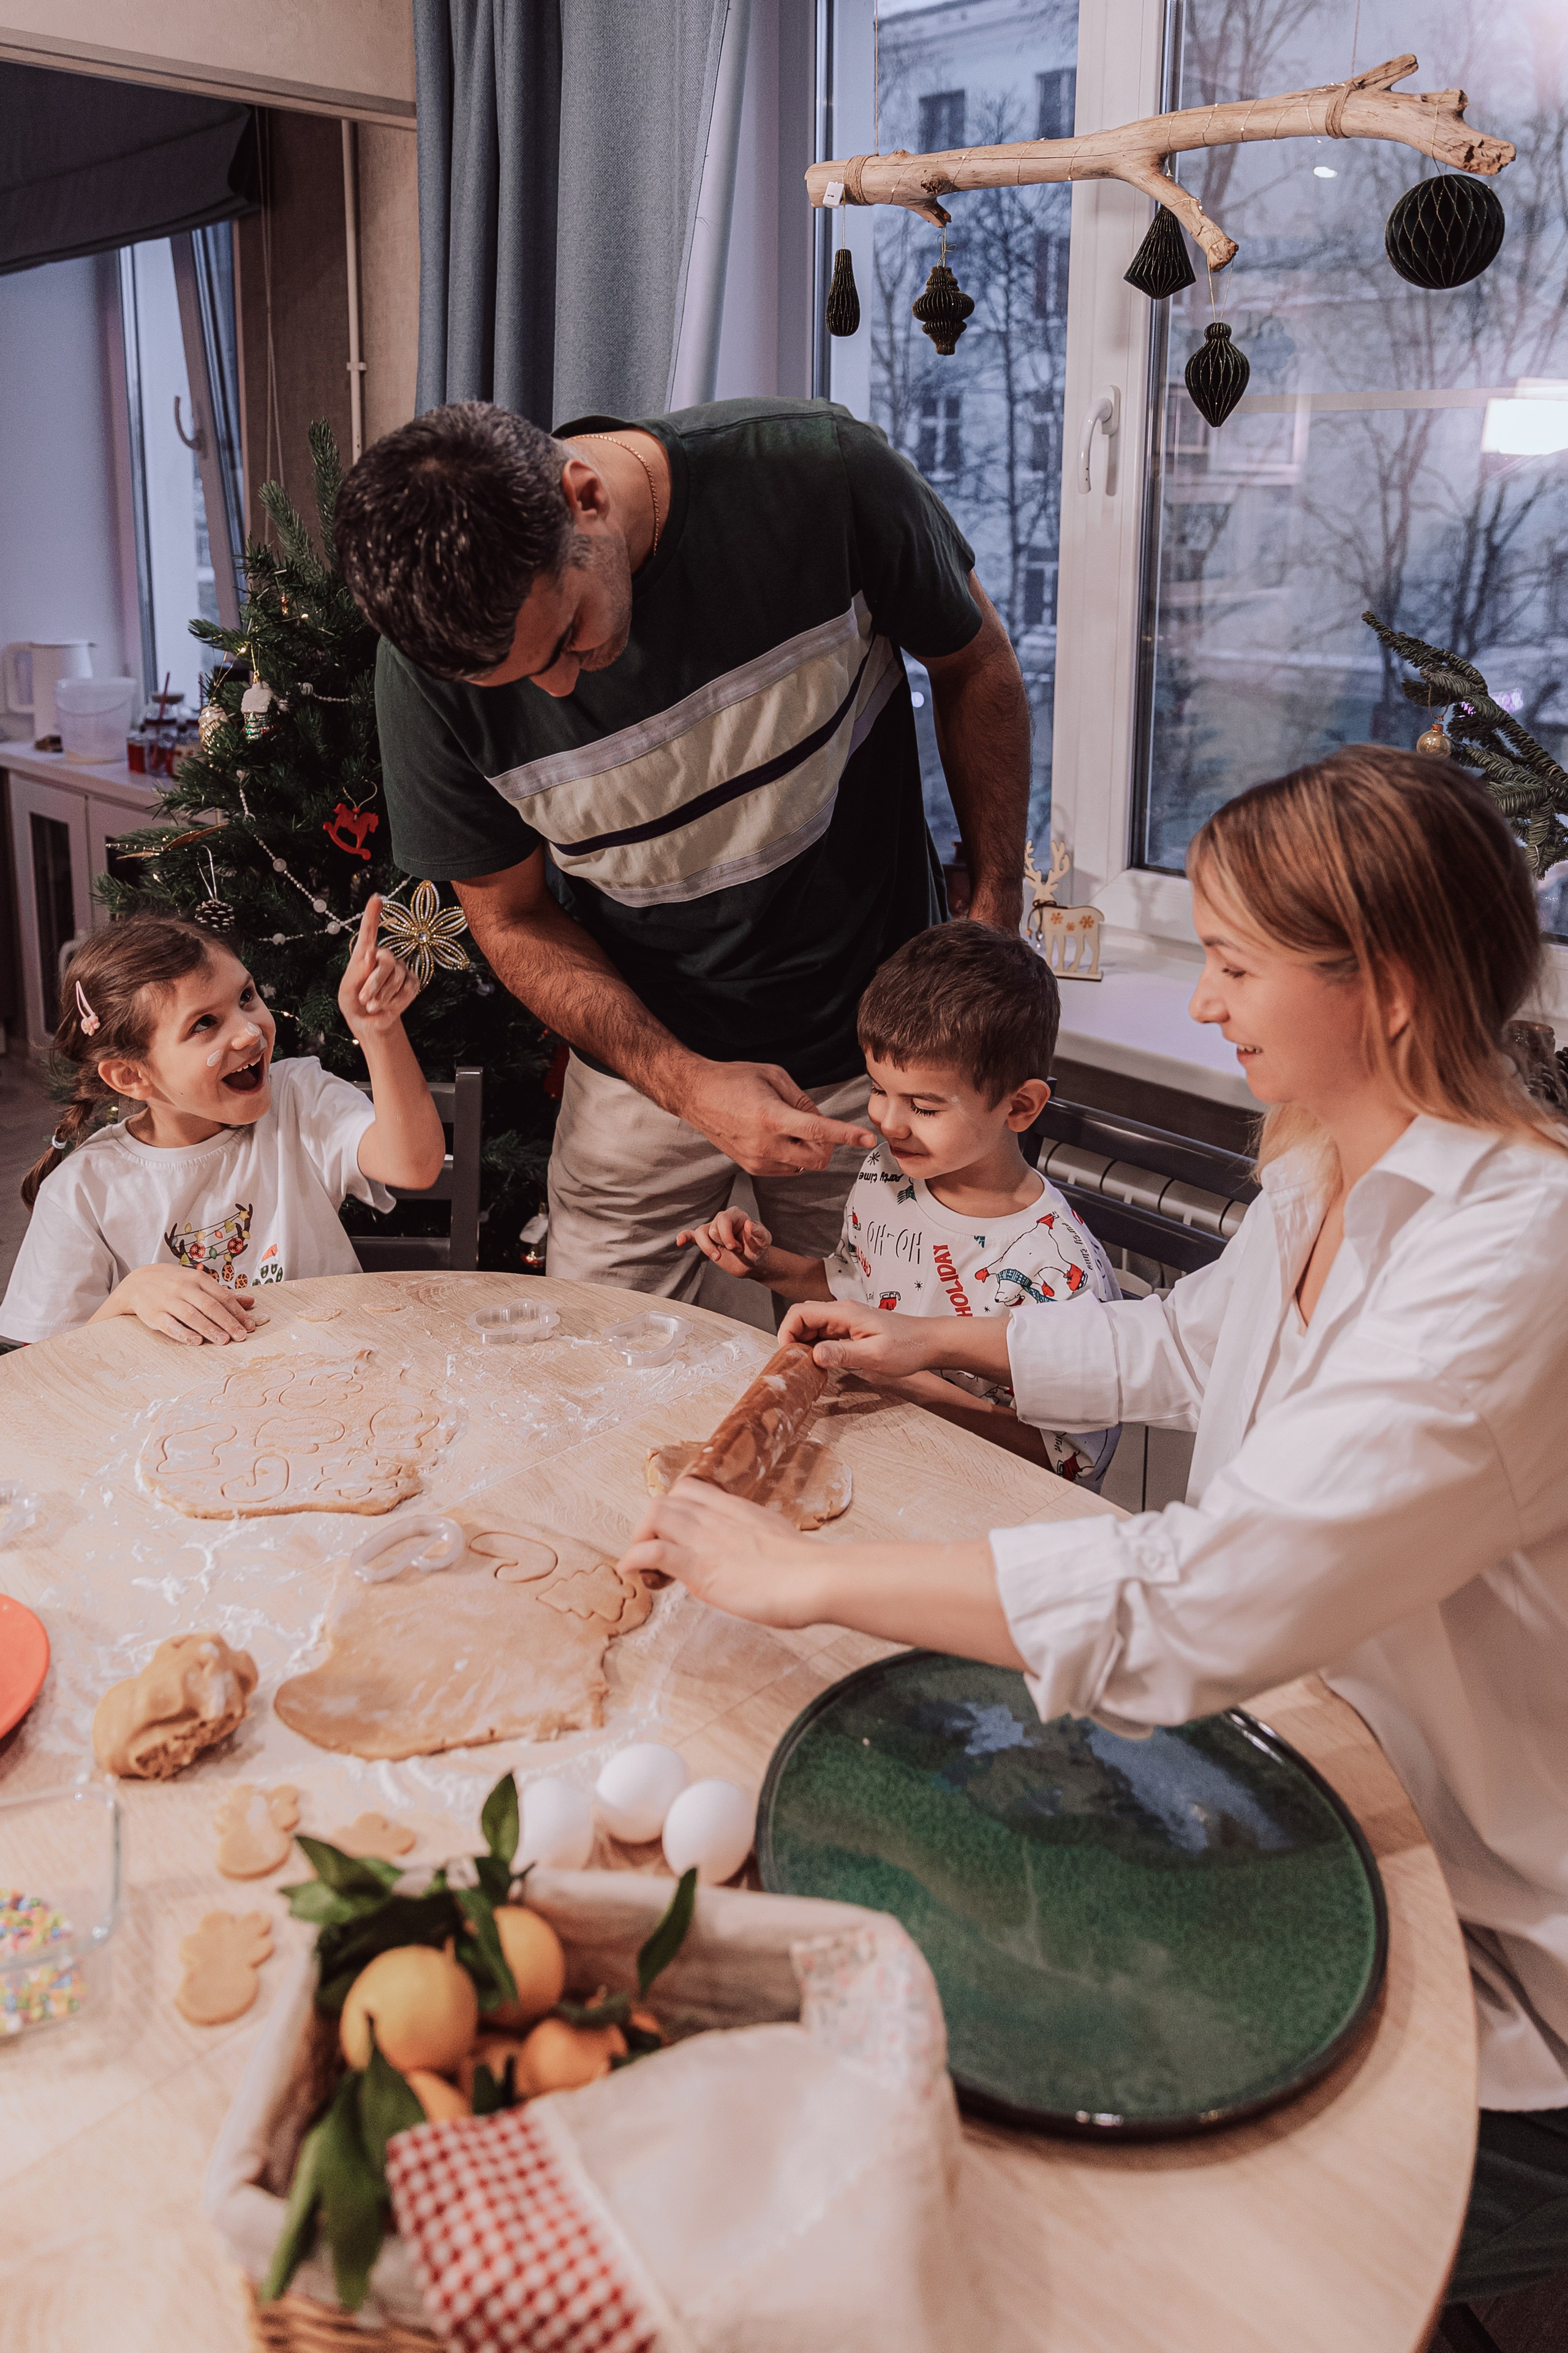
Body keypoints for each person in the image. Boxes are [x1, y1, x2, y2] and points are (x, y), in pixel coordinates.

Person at [622, 747, 1568, 2307]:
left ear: (1384, 984)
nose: (1203, 1005)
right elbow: (1189, 1344)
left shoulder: (1512, 1263)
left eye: (1231, 963)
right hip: (1314, 1785)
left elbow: (1202, 1595)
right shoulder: (1333, 1162)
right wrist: (941, 1341)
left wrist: (797, 1576)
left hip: (1489, 1961)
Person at [332, 396, 1031, 1297]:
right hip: (638, 1068)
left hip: (878, 1057)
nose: (557, 683)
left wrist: (993, 920)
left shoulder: (824, 477)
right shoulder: (426, 680)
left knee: (883, 1359)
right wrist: (686, 1084)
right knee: (591, 1372)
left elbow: (975, 662)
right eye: (521, 678)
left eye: (567, 635)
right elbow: (508, 915)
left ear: (583, 496)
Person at [678, 921, 1121, 1481]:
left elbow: (1067, 1459)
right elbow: (853, 1288)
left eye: (925, 1106)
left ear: (1020, 1107)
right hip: (888, 1466)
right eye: (878, 1088)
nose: (887, 1121)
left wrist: (907, 1382)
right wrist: (763, 1266)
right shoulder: (887, 1173)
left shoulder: (1058, 1270)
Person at [1, 900, 443, 1346]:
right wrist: (127, 1299)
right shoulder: (83, 1192)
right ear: (132, 1075)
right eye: (205, 1024)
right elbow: (49, 1369)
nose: (249, 1032)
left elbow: (415, 1164)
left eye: (246, 997)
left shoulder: (299, 1099)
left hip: (332, 1379)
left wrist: (379, 1032)